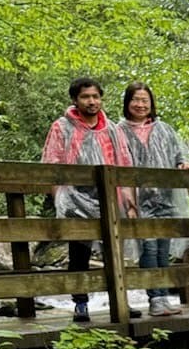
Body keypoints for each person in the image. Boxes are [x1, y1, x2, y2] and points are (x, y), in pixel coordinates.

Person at [41, 77, 135, 323]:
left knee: (114, 251)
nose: (91, 101)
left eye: (95, 96)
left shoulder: (112, 129)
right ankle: (80, 304)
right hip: (75, 199)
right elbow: (52, 162)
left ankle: (121, 300)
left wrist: (128, 197)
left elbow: (123, 162)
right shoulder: (62, 127)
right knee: (79, 253)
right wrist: (58, 196)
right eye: (85, 97)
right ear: (75, 100)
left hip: (109, 197)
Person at [118, 82, 189, 318]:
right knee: (148, 248)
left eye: (145, 100)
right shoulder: (119, 131)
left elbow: (179, 154)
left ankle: (164, 297)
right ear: (127, 103)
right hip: (138, 199)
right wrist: (129, 203)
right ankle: (154, 299)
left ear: (151, 104)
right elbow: (118, 167)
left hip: (166, 197)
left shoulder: (164, 129)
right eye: (135, 100)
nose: (140, 105)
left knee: (163, 248)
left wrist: (184, 164)